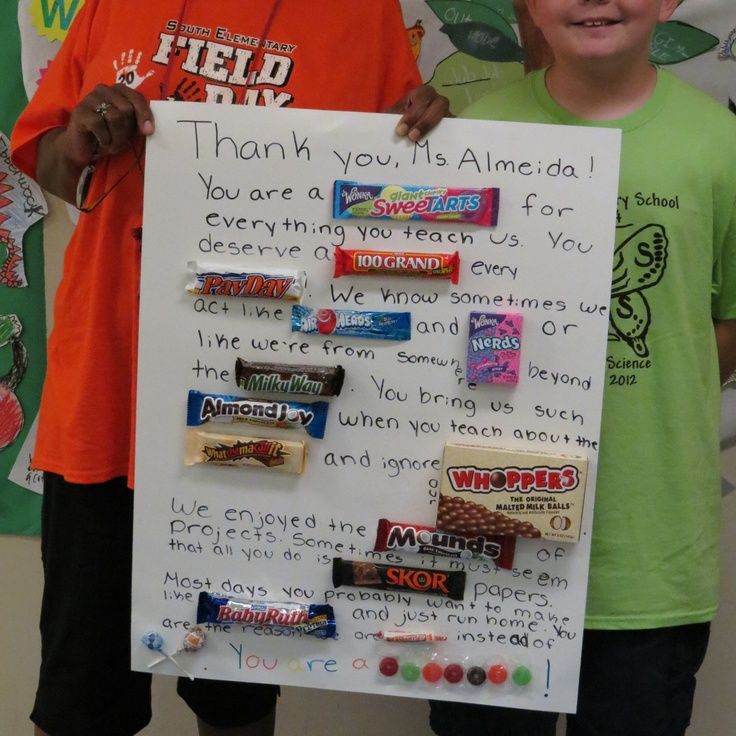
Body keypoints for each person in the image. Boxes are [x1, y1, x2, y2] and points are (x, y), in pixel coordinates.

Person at [10, 2, 448, 735]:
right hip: (107, 404)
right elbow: (50, 161)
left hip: (259, 407)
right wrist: (84, 135)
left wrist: (428, 128)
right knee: (82, 699)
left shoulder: (365, 15)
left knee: (239, 691)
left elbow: (392, 179)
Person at [429, 1, 736, 735]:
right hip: (491, 543)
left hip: (646, 558)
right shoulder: (470, 137)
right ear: (528, 4)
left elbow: (724, 325)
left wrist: (632, 371)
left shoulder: (719, 145)